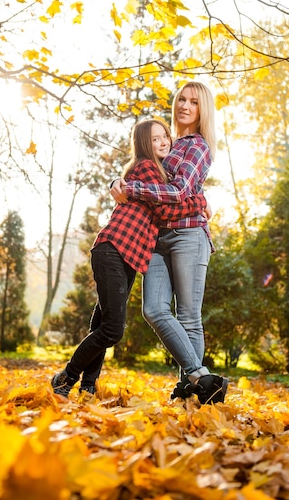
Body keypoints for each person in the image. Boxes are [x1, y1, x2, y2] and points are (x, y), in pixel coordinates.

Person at [51, 118, 207, 398]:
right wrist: (201, 203)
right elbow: (167, 210)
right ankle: (66, 377)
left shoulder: (153, 171)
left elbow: (171, 196)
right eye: (156, 138)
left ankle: (87, 387)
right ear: (144, 144)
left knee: (101, 324)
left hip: (128, 257)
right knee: (111, 330)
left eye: (165, 137)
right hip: (113, 250)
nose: (163, 142)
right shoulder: (147, 168)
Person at [110, 82, 228, 405]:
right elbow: (141, 167)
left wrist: (132, 190)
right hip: (158, 237)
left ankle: (192, 391)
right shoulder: (170, 144)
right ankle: (202, 379)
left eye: (193, 102)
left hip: (189, 235)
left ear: (203, 109)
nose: (185, 106)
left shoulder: (198, 146)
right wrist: (117, 182)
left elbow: (177, 192)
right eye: (181, 100)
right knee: (154, 309)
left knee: (189, 317)